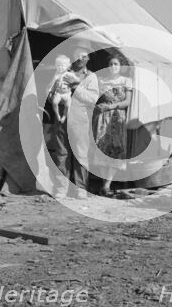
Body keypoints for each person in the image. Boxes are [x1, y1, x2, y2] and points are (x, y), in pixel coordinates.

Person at [50, 46, 98, 199]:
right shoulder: (62, 72)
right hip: (61, 120)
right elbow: (50, 94)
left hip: (79, 119)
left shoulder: (90, 77)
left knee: (80, 154)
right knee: (62, 154)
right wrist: (55, 93)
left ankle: (80, 188)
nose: (80, 59)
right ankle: (61, 188)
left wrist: (76, 87)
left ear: (88, 58)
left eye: (84, 56)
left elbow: (92, 99)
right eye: (77, 55)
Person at [93, 55, 133, 196]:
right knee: (103, 149)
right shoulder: (101, 81)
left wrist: (110, 107)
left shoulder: (126, 81)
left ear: (120, 66)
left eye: (116, 64)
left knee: (115, 149)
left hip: (117, 118)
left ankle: (107, 184)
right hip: (102, 118)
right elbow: (93, 97)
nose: (113, 66)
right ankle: (104, 185)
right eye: (110, 63)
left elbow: (127, 102)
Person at [47, 55, 74, 123]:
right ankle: (58, 115)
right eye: (58, 65)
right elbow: (52, 84)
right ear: (56, 66)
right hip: (59, 93)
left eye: (63, 65)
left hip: (67, 93)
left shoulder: (69, 74)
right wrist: (50, 91)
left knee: (68, 106)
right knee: (55, 103)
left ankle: (64, 116)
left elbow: (74, 82)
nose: (60, 67)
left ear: (67, 66)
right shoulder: (56, 75)